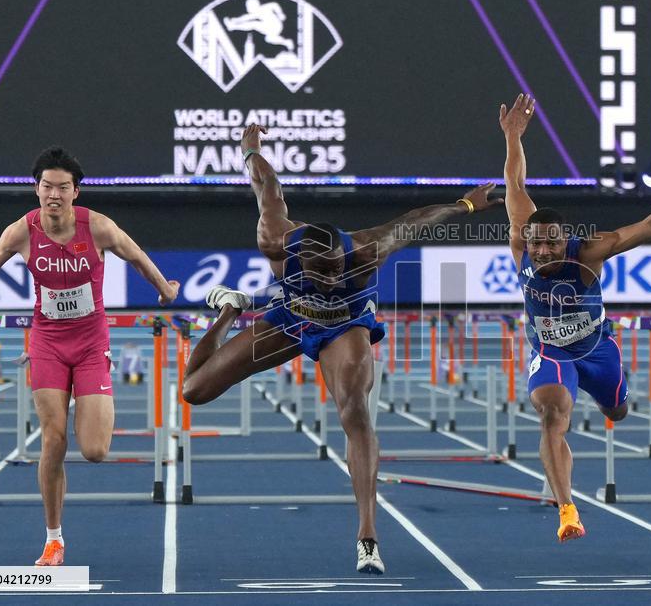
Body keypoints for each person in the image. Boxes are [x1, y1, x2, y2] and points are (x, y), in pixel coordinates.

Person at [181, 123, 502, 574]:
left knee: (354, 412)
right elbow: (266, 185)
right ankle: (231, 310)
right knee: (194, 390)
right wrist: (250, 148)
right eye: (320, 271)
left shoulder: (368, 249)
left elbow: (415, 221)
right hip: (291, 321)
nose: (331, 278)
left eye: (336, 269)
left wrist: (466, 204)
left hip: (345, 327)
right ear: (296, 257)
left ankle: (367, 536)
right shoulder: (275, 237)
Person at [499, 93, 651, 541]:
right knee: (552, 413)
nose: (542, 252)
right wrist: (512, 136)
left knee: (618, 412)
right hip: (551, 352)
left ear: (566, 240)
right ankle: (567, 509)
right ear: (524, 241)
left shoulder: (589, 251)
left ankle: (608, 399)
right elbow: (515, 180)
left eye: (551, 244)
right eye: (535, 245)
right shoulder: (521, 235)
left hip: (597, 348)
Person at [0, 147, 180, 565]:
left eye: (62, 187)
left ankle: (94, 399)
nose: (53, 194)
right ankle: (53, 539)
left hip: (90, 342)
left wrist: (165, 289)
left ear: (75, 193)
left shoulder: (97, 227)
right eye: (46, 186)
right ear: (37, 189)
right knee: (53, 438)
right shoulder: (22, 231)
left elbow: (136, 255)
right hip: (46, 342)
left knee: (95, 450)